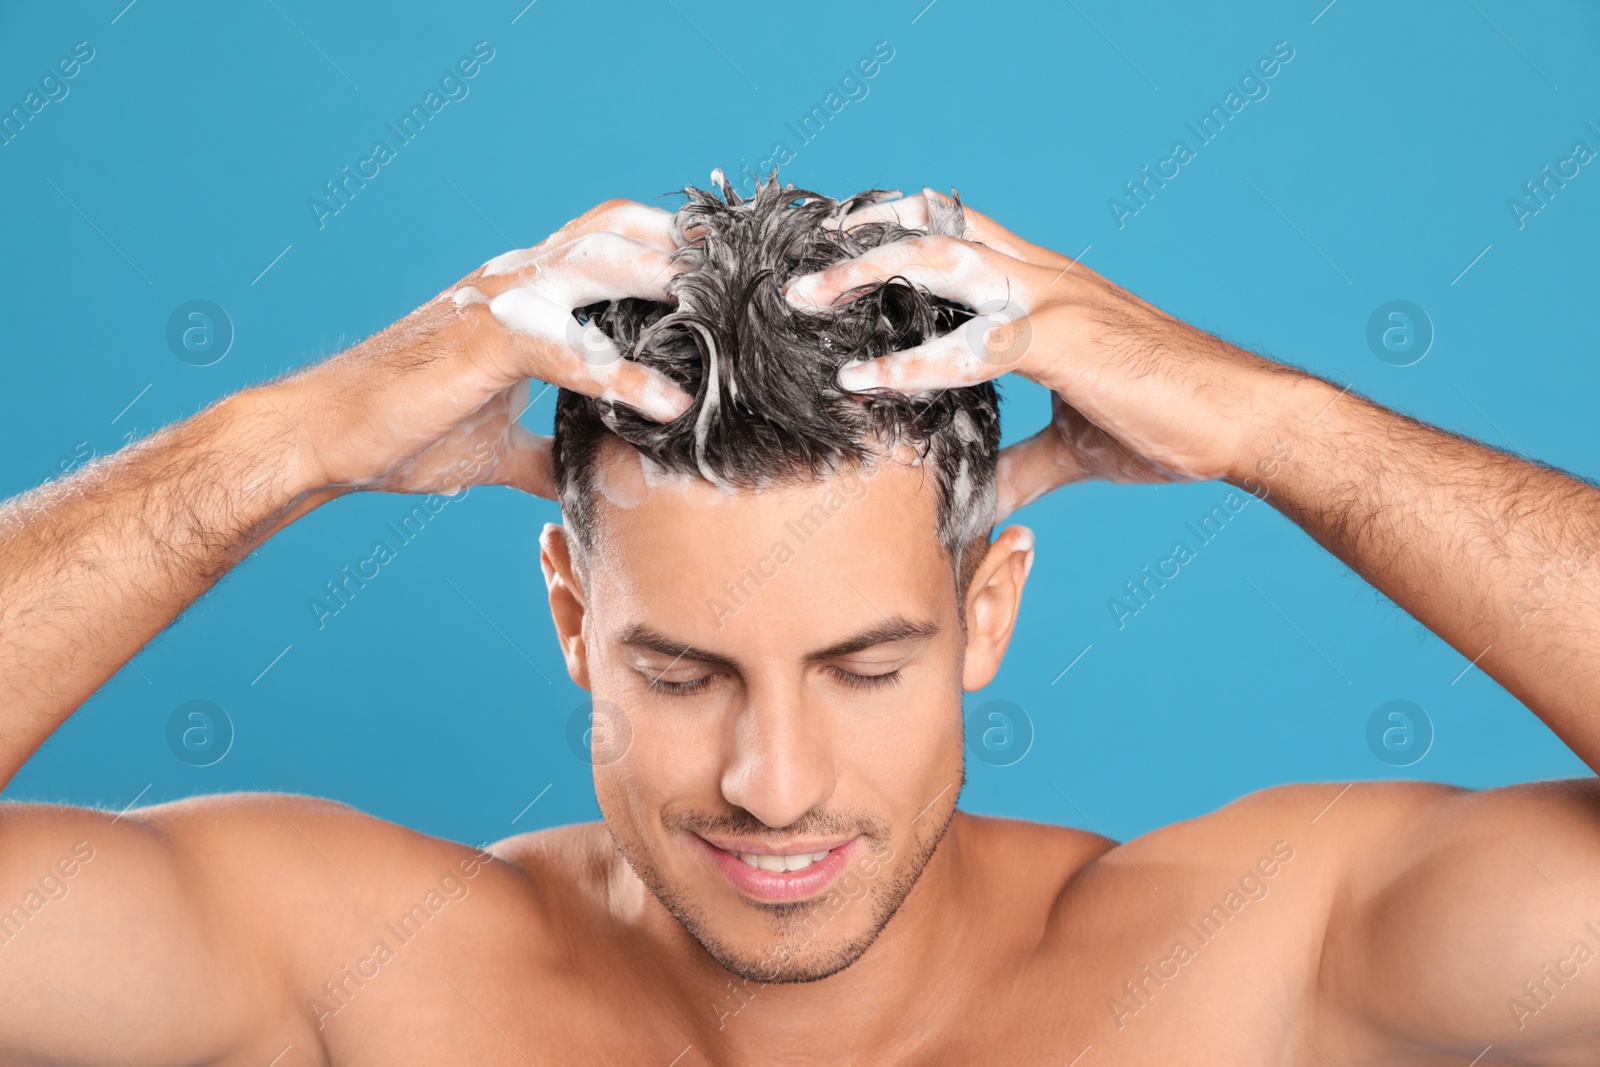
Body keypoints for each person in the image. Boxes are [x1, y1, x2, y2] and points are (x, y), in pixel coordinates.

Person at [2, 172, 1597, 1065]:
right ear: (573, 618)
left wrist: (1280, 429)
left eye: (865, 665)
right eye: (681, 671)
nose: (771, 783)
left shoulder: (1251, 974)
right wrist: (279, 444)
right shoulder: (352, 981)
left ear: (986, 617)